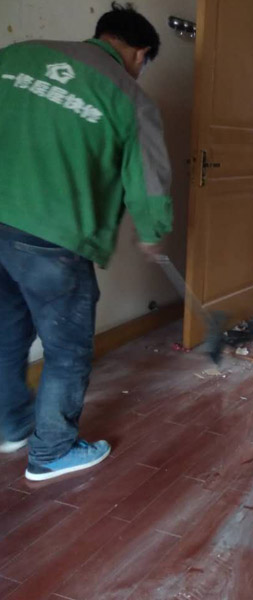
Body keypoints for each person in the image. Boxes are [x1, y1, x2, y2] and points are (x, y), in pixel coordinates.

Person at [0, 2, 173, 481]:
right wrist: (153, 232)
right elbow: (149, 180)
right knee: (68, 349)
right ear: (140, 53)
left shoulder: (16, 57)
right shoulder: (130, 96)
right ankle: (52, 451)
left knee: (7, 331)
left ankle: (11, 426)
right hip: (52, 238)